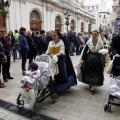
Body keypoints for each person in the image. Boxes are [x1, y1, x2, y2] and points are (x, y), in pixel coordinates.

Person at [78, 30, 104, 94]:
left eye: (95, 34)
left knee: (96, 72)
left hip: (97, 59)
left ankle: (93, 84)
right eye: (93, 34)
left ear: (98, 35)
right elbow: (85, 51)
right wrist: (83, 59)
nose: (94, 35)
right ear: (91, 35)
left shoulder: (100, 42)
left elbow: (102, 51)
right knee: (89, 71)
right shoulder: (89, 42)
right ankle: (90, 83)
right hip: (89, 58)